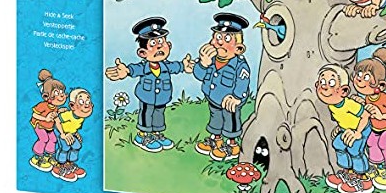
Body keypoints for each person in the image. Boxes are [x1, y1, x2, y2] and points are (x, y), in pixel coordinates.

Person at [104, 17, 194, 153]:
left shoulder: (166, 66)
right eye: (153, 44)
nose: (159, 47)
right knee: (146, 115)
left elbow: (177, 66)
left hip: (163, 97)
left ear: (169, 46)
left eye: (161, 42)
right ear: (142, 52)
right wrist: (126, 71)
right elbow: (134, 69)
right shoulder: (144, 67)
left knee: (159, 115)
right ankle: (142, 136)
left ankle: (157, 134)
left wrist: (184, 65)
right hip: (147, 97)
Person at [193, 14, 251, 161]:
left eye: (226, 39)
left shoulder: (239, 64)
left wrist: (237, 97)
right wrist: (203, 64)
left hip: (229, 102)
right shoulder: (210, 60)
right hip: (213, 98)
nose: (219, 43)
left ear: (238, 48)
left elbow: (243, 82)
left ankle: (232, 145)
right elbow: (199, 75)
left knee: (230, 121)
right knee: (215, 118)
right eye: (218, 37)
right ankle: (216, 139)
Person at [351, 48, 386, 190]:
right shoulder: (368, 98)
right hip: (377, 127)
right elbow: (367, 112)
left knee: (384, 145)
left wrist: (382, 116)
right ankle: (379, 167)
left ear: (380, 85)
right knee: (371, 142)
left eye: (366, 77)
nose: (359, 80)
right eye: (359, 74)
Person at [315, 64, 373, 193]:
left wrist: (357, 133)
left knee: (354, 150)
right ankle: (347, 172)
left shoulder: (349, 104)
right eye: (322, 82)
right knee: (338, 144)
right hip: (346, 129)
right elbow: (344, 119)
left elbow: (365, 115)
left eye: (331, 83)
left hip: (361, 128)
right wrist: (340, 128)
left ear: (343, 91)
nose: (324, 86)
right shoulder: (332, 105)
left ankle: (363, 178)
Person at [29, 68, 67, 172]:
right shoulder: (43, 105)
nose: (62, 95)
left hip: (48, 127)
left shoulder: (54, 107)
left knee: (53, 139)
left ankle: (48, 156)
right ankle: (37, 157)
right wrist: (45, 118)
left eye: (62, 92)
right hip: (39, 125)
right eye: (57, 92)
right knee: (44, 139)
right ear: (47, 96)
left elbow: (56, 118)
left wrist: (59, 112)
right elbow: (34, 115)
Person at [52, 88, 94, 181]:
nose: (87, 104)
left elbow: (73, 126)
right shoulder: (68, 115)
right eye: (82, 102)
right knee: (65, 147)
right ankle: (59, 166)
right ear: (72, 105)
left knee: (77, 146)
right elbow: (57, 120)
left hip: (71, 134)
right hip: (62, 133)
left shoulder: (81, 117)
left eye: (88, 101)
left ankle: (69, 163)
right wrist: (63, 134)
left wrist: (75, 133)